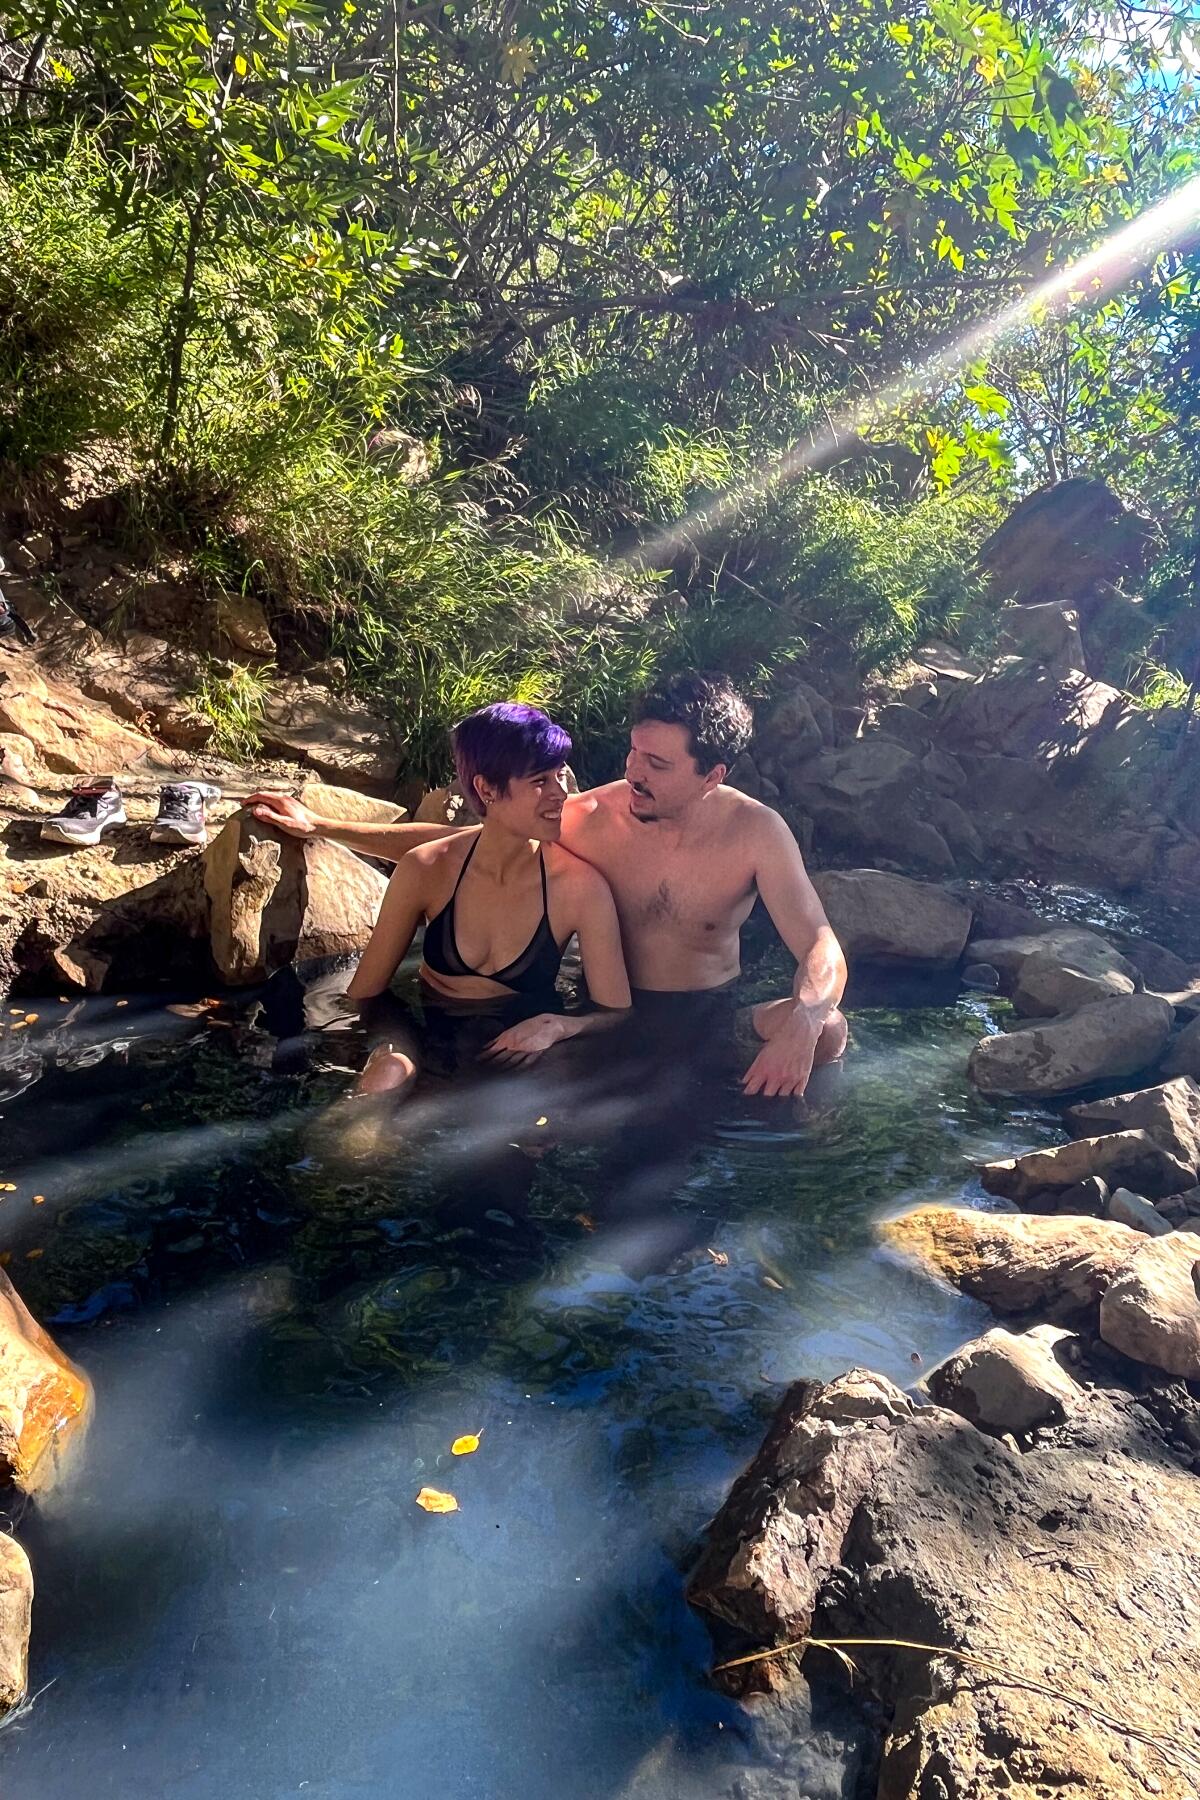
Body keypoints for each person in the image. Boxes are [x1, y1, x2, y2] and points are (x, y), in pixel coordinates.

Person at [246, 671, 846, 1098]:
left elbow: (822, 947)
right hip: (603, 1011)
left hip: (705, 1014)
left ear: (712, 775)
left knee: (830, 1030)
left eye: (657, 765)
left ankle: (794, 1147)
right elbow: (470, 844)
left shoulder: (756, 834)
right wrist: (322, 826)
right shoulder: (597, 817)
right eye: (634, 753)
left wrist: (806, 1020)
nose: (633, 773)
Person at [343, 701, 630, 1097]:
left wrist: (563, 1025)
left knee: (530, 1130)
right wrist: (364, 1053)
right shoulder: (427, 869)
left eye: (560, 774)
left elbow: (616, 1014)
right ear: (486, 789)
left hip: (522, 1035)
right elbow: (365, 993)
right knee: (384, 1080)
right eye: (539, 781)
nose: (561, 793)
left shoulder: (579, 888)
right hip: (426, 1024)